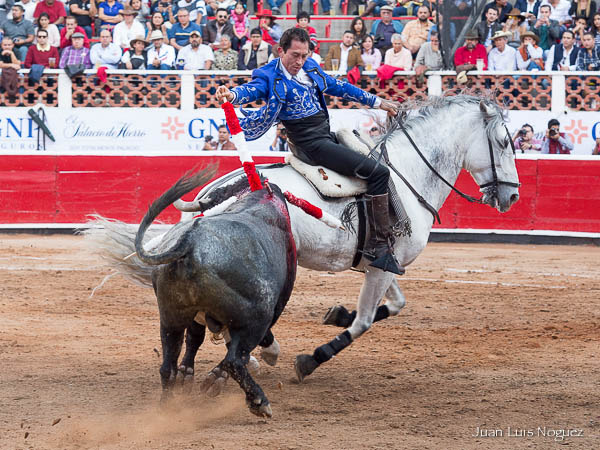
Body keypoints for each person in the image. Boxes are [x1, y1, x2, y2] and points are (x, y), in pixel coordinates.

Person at [216, 28, 402, 273]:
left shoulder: (311, 67)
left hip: (326, 136)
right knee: (379, 173)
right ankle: (379, 246)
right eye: (295, 55)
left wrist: (378, 102)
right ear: (281, 51)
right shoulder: (269, 75)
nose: (299, 61)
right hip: (311, 146)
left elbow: (339, 87)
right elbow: (252, 89)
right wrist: (232, 94)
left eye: (304, 55)